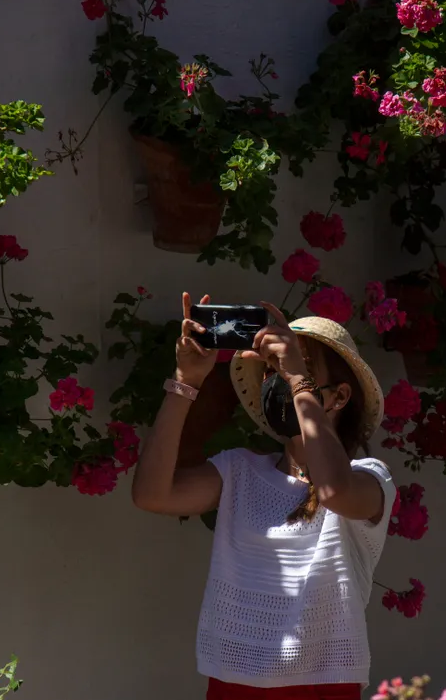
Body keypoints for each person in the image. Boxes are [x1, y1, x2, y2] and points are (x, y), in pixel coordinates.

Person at [132, 292, 397, 700]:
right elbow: (152, 494)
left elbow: (332, 489)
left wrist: (298, 379)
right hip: (234, 682)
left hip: (322, 686)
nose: (281, 380)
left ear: (339, 397)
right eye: (273, 372)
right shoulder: (240, 471)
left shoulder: (369, 478)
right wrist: (186, 382)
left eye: (298, 369)